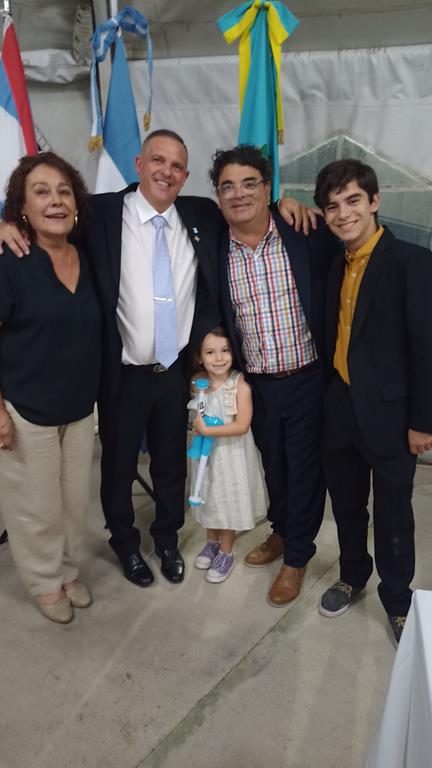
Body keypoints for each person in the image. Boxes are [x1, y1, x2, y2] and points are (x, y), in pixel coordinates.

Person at [0, 131, 311, 590]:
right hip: (122, 372)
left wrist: (286, 204)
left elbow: (247, 206)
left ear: (186, 176)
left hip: (176, 371)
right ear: (139, 164)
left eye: (177, 166)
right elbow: (48, 220)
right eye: (158, 161)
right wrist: (6, 223)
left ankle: (167, 538)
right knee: (118, 466)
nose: (167, 171)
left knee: (170, 464)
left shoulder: (201, 213)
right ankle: (124, 542)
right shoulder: (100, 213)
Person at [209, 145, 341, 606]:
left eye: (250, 183)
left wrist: (294, 204)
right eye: (228, 186)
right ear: (218, 195)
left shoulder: (304, 232)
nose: (239, 194)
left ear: (267, 189)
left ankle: (298, 556)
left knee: (304, 469)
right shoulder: (214, 245)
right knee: (274, 467)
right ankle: (282, 531)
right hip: (257, 384)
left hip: (307, 376)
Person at [314, 159, 432, 644]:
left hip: (392, 416)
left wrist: (423, 422)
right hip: (340, 409)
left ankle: (398, 598)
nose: (343, 213)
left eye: (353, 201)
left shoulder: (412, 263)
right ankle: (352, 573)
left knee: (394, 514)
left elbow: (426, 348)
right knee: (346, 505)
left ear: (375, 201)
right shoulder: (334, 261)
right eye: (332, 206)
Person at [0, 152, 101, 624]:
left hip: (79, 409)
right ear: (22, 207)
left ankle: (66, 569)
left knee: (74, 503)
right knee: (36, 508)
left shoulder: (87, 254)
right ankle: (44, 581)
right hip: (26, 410)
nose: (55, 201)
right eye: (41, 192)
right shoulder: (10, 260)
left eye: (64, 191)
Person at [189, 327, 267, 583]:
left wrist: (208, 430)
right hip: (206, 455)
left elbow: (242, 425)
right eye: (210, 352)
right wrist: (197, 426)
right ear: (200, 357)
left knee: (226, 500)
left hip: (230, 455)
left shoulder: (239, 385)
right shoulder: (196, 383)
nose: (219, 358)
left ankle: (226, 552)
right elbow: (197, 414)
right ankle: (211, 542)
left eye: (225, 350)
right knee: (208, 496)